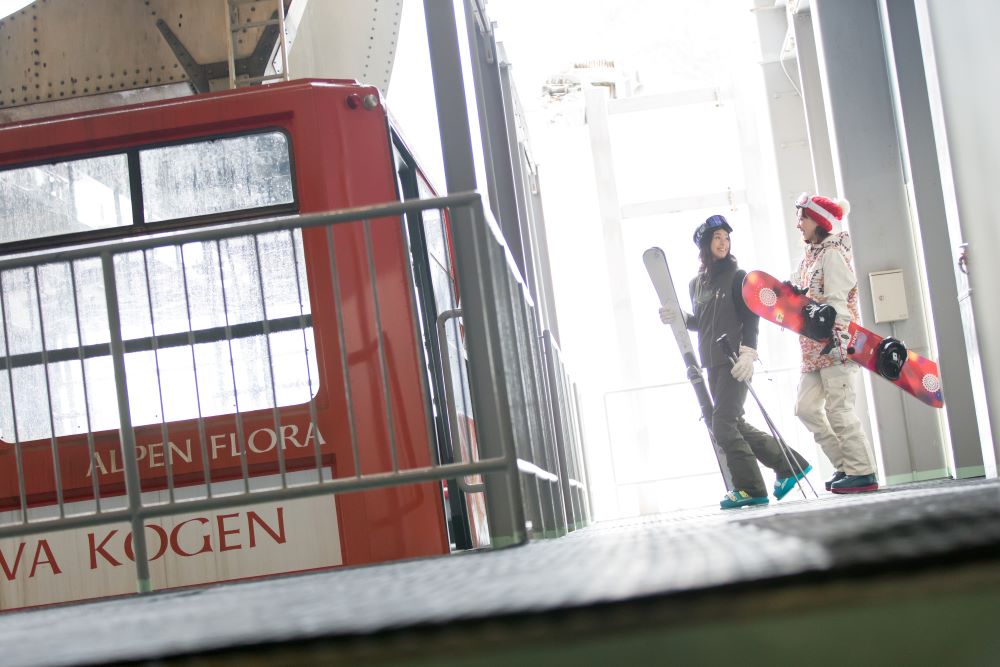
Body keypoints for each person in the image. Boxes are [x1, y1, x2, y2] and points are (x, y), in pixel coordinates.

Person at [660, 215, 812, 509]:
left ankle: (751, 488)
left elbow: (750, 317)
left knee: (723, 425)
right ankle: (791, 465)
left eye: (726, 238)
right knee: (735, 423)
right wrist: (678, 316)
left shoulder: (738, 277)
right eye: (717, 238)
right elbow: (701, 323)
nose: (723, 243)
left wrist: (748, 352)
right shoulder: (696, 285)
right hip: (712, 363)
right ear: (704, 244)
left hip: (734, 360)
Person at [790, 193, 878, 494]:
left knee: (839, 409)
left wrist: (839, 340)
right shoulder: (808, 256)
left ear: (819, 220)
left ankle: (862, 471)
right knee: (805, 408)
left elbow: (839, 300)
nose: (798, 223)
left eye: (803, 217)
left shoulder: (832, 254)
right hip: (812, 348)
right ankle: (846, 465)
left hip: (836, 344)